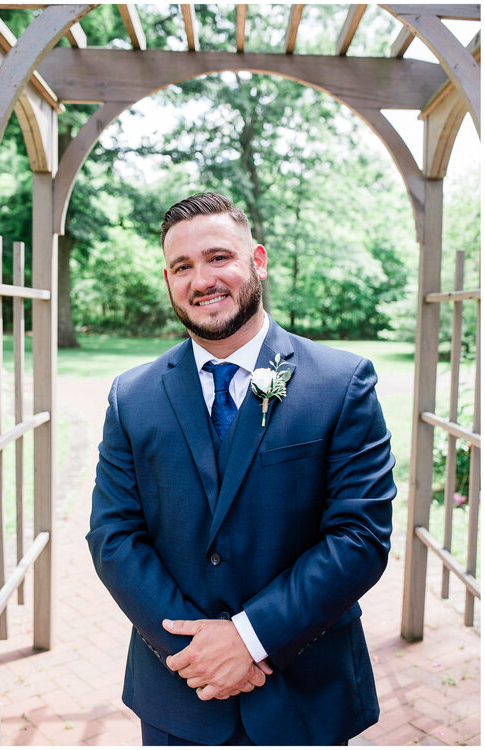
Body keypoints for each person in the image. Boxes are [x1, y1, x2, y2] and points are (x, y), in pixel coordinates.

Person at [87, 193, 395, 745]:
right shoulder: (131, 396)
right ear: (167, 279)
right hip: (180, 693)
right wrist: (196, 653)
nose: (201, 279)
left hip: (304, 692)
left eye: (218, 257)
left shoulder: (342, 383)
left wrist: (248, 640)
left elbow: (360, 538)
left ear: (257, 260)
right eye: (183, 266)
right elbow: (113, 537)